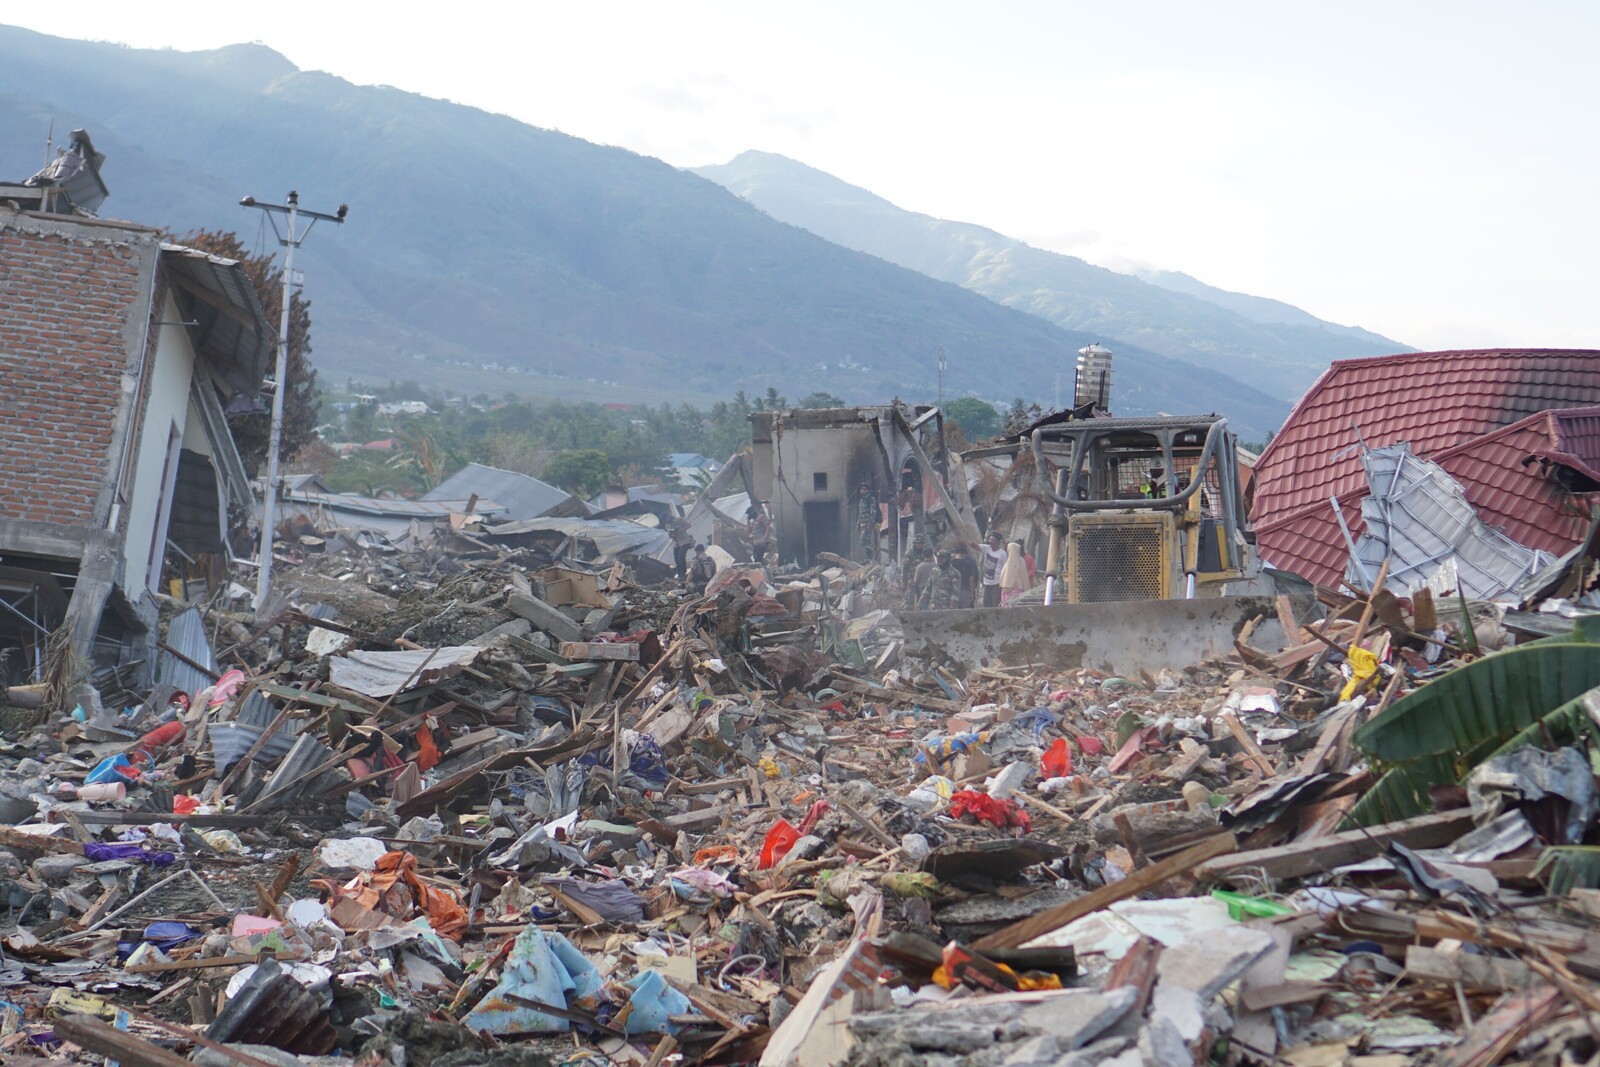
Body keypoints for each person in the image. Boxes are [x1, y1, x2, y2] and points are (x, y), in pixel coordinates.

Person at [854, 482, 880, 562]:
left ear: (868, 490)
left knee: (863, 540)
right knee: (865, 541)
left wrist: (870, 523)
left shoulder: (870, 499)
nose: (863, 491)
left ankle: (870, 558)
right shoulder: (862, 500)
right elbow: (860, 513)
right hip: (863, 523)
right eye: (861, 489)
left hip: (868, 523)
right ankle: (869, 558)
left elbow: (873, 512)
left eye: (865, 489)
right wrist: (858, 525)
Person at [980, 531, 1006, 607]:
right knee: (986, 603)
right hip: (986, 582)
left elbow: (1004, 569)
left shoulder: (1002, 554)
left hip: (996, 583)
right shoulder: (987, 549)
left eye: (992, 540)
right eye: (990, 540)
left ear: (998, 542)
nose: (990, 542)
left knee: (995, 603)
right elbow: (975, 546)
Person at [999, 541, 1029, 606]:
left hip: (1011, 593)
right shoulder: (1022, 561)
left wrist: (1012, 587)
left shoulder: (1009, 564)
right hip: (1021, 592)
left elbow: (1005, 587)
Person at [667, 515, 693, 583]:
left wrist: (679, 530)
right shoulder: (668, 525)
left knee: (681, 557)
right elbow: (670, 535)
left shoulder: (679, 520)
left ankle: (683, 574)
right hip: (677, 541)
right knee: (676, 558)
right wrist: (671, 534)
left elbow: (689, 525)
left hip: (684, 540)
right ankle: (679, 574)